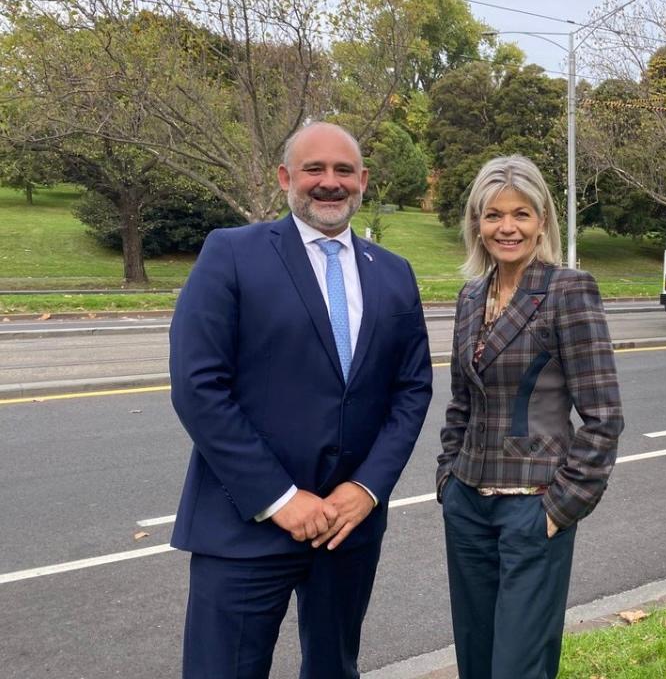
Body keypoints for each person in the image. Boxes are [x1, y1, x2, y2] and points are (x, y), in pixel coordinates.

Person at [169, 122, 432, 679]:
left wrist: (366, 490)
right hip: (246, 525)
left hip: (347, 528)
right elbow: (199, 387)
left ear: (362, 181)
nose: (329, 183)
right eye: (314, 169)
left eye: (343, 171)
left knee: (336, 668)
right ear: (287, 177)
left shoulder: (392, 273)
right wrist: (280, 498)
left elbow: (411, 390)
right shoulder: (231, 254)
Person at [436, 155, 624, 679]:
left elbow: (603, 416)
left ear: (542, 220)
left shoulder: (568, 290)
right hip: (468, 506)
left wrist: (560, 508)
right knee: (475, 658)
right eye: (493, 215)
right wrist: (447, 480)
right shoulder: (471, 295)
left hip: (533, 508)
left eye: (521, 214)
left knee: (519, 666)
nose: (507, 227)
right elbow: (460, 402)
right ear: (477, 222)